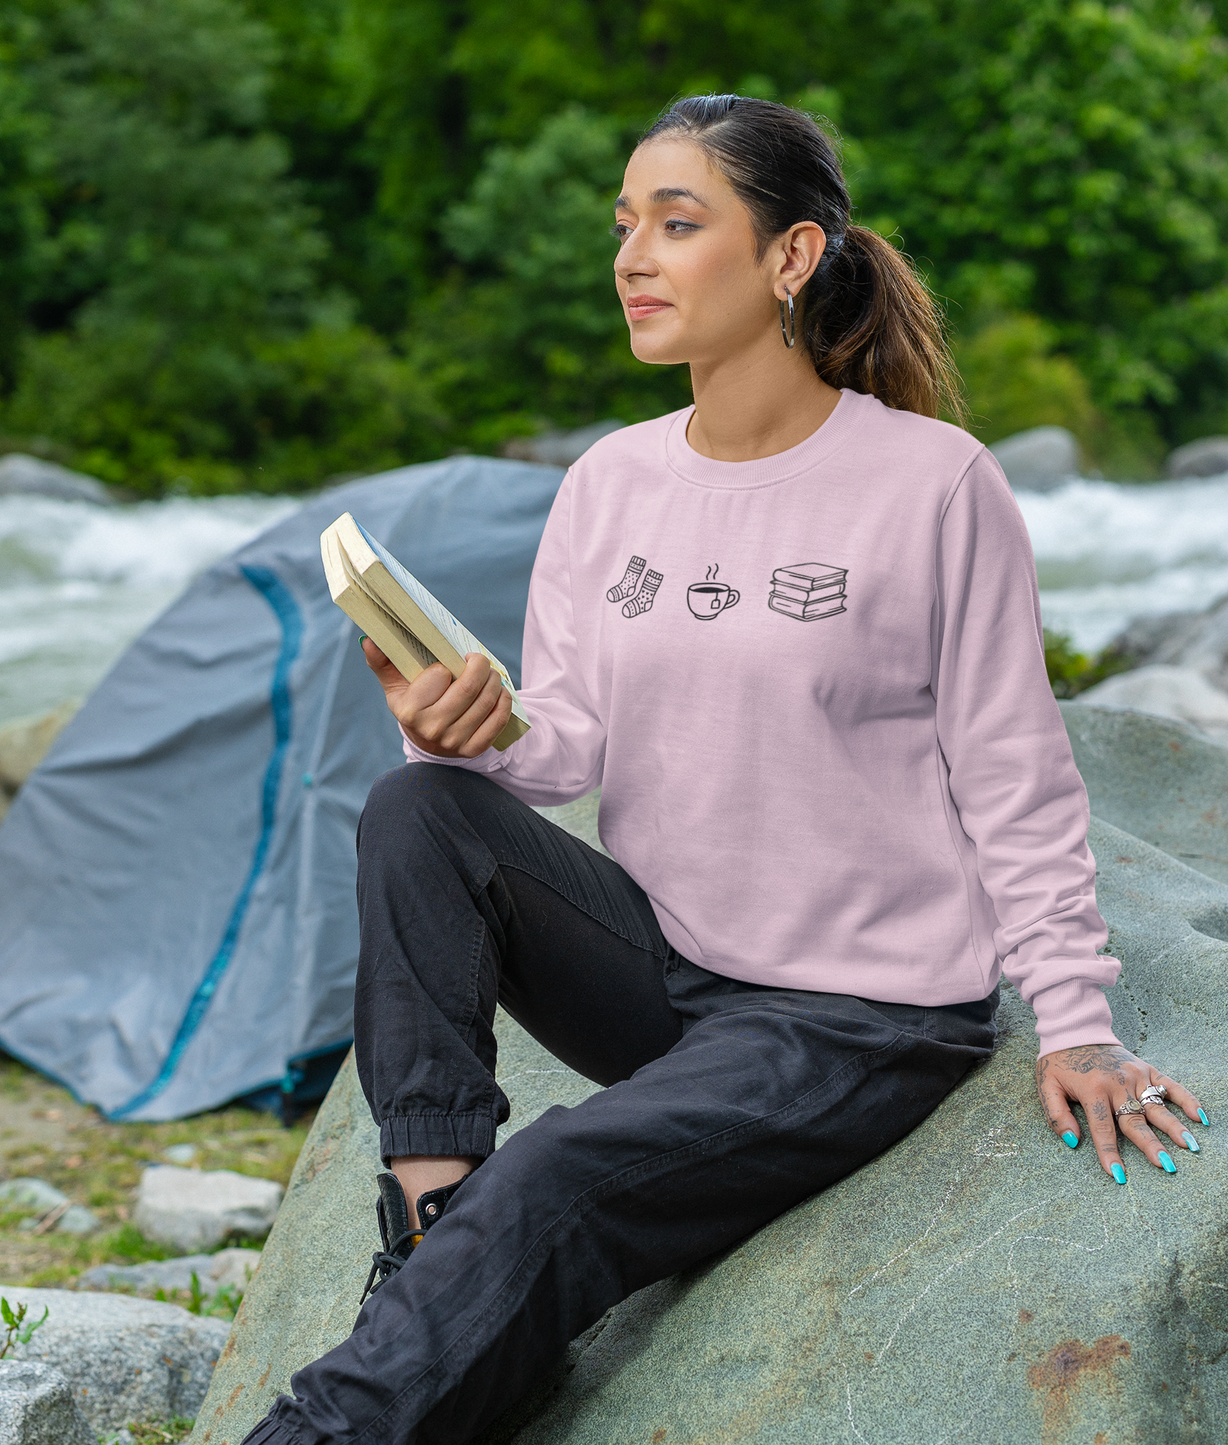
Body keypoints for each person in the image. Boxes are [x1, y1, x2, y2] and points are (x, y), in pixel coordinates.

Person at [243, 94, 1207, 1445]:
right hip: (665, 974)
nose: (632, 256)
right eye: (626, 224)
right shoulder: (611, 483)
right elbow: (567, 740)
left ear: (792, 257)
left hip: (855, 1019)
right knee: (417, 810)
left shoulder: (933, 485)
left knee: (559, 1178)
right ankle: (431, 1238)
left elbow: (1015, 772)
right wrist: (452, 723)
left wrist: (1079, 1021)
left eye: (678, 224)